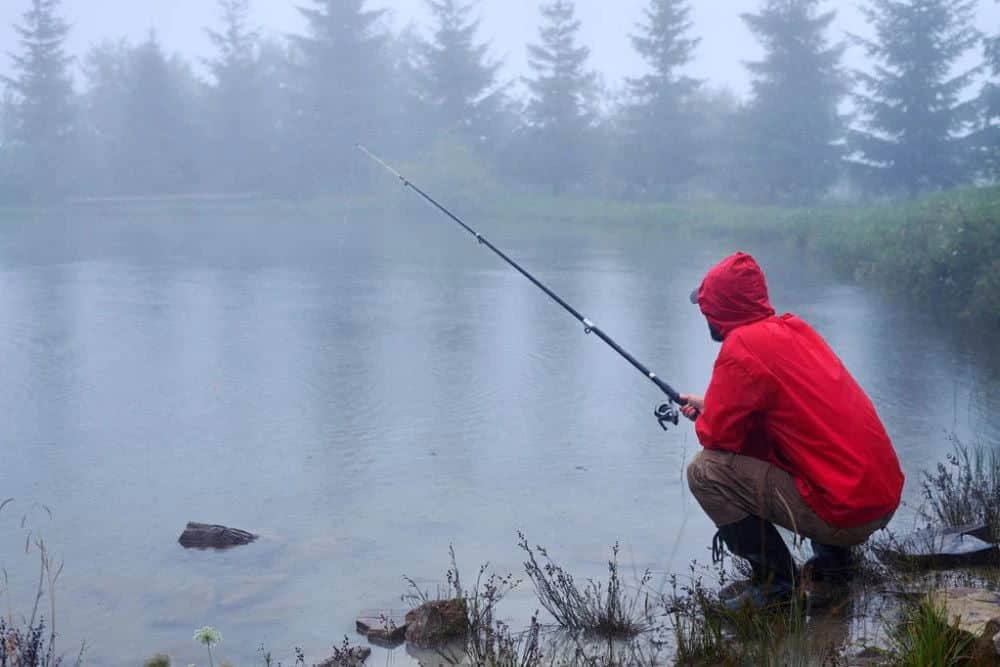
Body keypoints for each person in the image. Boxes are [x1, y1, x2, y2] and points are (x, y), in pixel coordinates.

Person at [681, 252, 903, 610]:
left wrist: (706, 417)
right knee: (810, 447)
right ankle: (833, 563)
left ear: (719, 307)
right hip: (880, 500)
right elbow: (785, 416)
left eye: (706, 306)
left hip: (846, 516)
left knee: (704, 472)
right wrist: (712, 405)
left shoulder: (739, 350)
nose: (703, 313)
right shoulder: (794, 330)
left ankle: (776, 586)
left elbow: (716, 438)